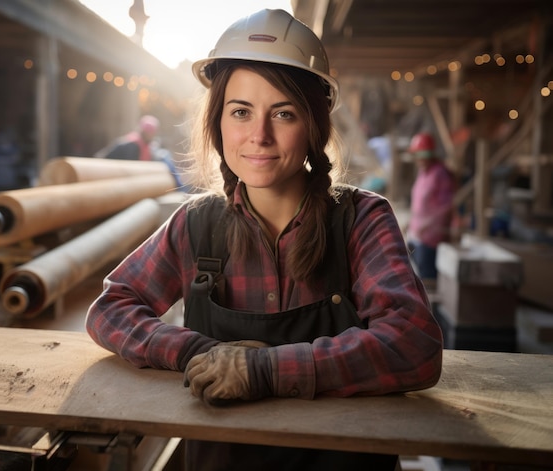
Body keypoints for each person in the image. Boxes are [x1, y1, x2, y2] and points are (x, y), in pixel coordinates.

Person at [86, 9, 443, 471]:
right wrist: (200, 351)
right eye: (240, 112)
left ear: (314, 125)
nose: (259, 136)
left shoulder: (361, 220)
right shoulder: (196, 225)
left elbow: (414, 345)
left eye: (283, 113)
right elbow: (111, 309)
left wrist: (265, 371)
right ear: (218, 123)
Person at [406, 132, 456, 279]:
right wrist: (412, 224)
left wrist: (427, 225)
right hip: (416, 236)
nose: (419, 159)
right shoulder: (423, 172)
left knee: (426, 281)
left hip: (430, 240)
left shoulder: (440, 174)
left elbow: (446, 208)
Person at [94, 114, 160, 160]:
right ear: (142, 131)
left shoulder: (149, 148)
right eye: (148, 131)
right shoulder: (130, 145)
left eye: (152, 132)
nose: (150, 134)